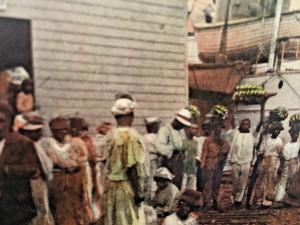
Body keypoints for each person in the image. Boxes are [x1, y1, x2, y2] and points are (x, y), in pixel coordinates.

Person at [104, 97, 146, 225]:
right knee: (129, 219)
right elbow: (131, 167)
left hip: (111, 186)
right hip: (126, 186)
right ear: (130, 116)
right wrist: (138, 192)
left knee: (115, 219)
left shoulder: (110, 134)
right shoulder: (131, 136)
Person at [0, 102, 42, 225]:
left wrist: (6, 169)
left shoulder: (22, 143)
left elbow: (34, 170)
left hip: (15, 206)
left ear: (9, 122)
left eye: (1, 121)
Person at [45, 117, 91, 225]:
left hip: (75, 181)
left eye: (65, 130)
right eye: (58, 130)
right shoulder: (48, 144)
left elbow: (84, 158)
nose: (62, 133)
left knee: (76, 210)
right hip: (57, 182)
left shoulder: (75, 142)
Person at [19, 115, 55, 225]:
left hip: (39, 183)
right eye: (33, 132)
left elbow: (47, 166)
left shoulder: (38, 145)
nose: (37, 134)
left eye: (38, 131)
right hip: (27, 184)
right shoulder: (22, 146)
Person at [157, 108, 192, 189]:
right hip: (168, 163)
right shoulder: (165, 129)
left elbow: (182, 145)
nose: (183, 127)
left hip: (178, 164)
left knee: (177, 186)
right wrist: (173, 148)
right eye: (182, 125)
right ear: (177, 121)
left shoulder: (179, 131)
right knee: (168, 187)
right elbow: (160, 148)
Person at [252, 121, 284, 208]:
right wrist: (260, 161)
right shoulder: (267, 139)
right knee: (262, 179)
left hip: (275, 161)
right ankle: (259, 200)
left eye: (278, 130)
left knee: (271, 180)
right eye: (275, 130)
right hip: (265, 160)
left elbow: (281, 155)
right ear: (272, 130)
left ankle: (268, 201)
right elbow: (261, 151)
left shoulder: (280, 141)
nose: (276, 132)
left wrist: (281, 165)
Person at [201, 122, 229, 212]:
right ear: (213, 129)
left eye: (220, 128)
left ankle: (215, 202)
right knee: (207, 184)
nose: (218, 130)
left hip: (218, 165)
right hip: (209, 164)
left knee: (216, 184)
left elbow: (225, 150)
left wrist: (222, 152)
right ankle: (206, 203)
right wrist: (202, 165)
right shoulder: (207, 140)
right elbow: (204, 153)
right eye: (216, 128)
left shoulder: (223, 141)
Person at [228, 118, 254, 209]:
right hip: (235, 161)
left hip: (246, 161)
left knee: (242, 183)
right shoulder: (235, 133)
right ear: (240, 124)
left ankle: (238, 202)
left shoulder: (252, 134)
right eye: (243, 124)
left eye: (247, 124)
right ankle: (235, 197)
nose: (245, 126)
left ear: (249, 125)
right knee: (235, 183)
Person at [275, 122, 300, 202]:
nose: (295, 136)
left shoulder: (298, 145)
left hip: (295, 163)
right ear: (291, 135)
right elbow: (282, 157)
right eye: (293, 134)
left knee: (292, 180)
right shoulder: (286, 145)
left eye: (296, 134)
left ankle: (290, 198)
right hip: (286, 163)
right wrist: (281, 166)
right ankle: (280, 198)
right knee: (283, 180)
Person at [143, 117, 161, 202]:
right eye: (157, 126)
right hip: (153, 161)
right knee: (153, 181)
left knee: (148, 181)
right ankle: (152, 200)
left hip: (146, 161)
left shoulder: (144, 137)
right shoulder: (154, 137)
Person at [193, 120, 211, 192]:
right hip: (199, 162)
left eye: (208, 128)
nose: (207, 130)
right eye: (205, 128)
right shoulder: (198, 139)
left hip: (209, 162)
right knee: (200, 180)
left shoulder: (213, 140)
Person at [181, 124, 199, 191]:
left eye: (196, 129)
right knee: (182, 189)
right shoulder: (182, 141)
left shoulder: (196, 142)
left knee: (191, 189)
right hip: (183, 168)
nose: (195, 130)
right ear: (188, 129)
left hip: (192, 168)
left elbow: (196, 154)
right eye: (193, 128)